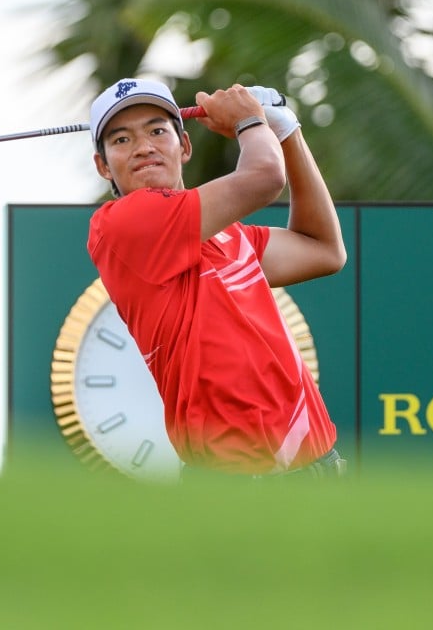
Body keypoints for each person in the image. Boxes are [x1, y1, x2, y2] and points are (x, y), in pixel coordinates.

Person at [87, 78, 348, 478]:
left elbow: (323, 249)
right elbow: (264, 177)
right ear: (103, 166)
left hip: (317, 466)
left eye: (158, 131)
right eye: (121, 140)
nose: (143, 147)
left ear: (184, 146)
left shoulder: (230, 235)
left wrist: (288, 133)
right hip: (234, 480)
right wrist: (249, 122)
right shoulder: (121, 225)